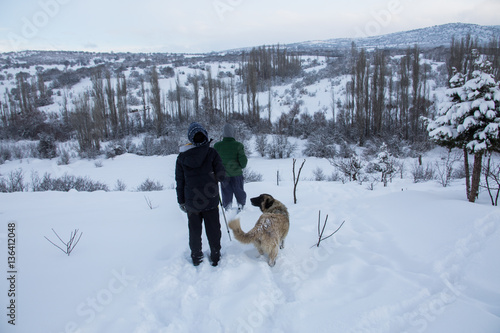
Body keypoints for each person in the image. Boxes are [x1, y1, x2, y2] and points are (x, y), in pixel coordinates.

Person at [175, 122, 226, 266]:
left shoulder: (181, 157)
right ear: (205, 135)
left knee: (194, 230)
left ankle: (196, 256)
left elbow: (180, 182)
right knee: (214, 229)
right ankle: (215, 255)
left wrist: (181, 201)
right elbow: (222, 176)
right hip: (210, 200)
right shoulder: (212, 153)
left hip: (192, 203)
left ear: (190, 139)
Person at [214, 123, 248, 212]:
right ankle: (241, 204)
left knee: (226, 191)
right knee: (239, 190)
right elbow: (243, 163)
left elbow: (214, 161)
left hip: (223, 174)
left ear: (223, 133)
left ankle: (227, 206)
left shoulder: (217, 146)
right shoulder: (238, 145)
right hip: (237, 174)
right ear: (233, 133)